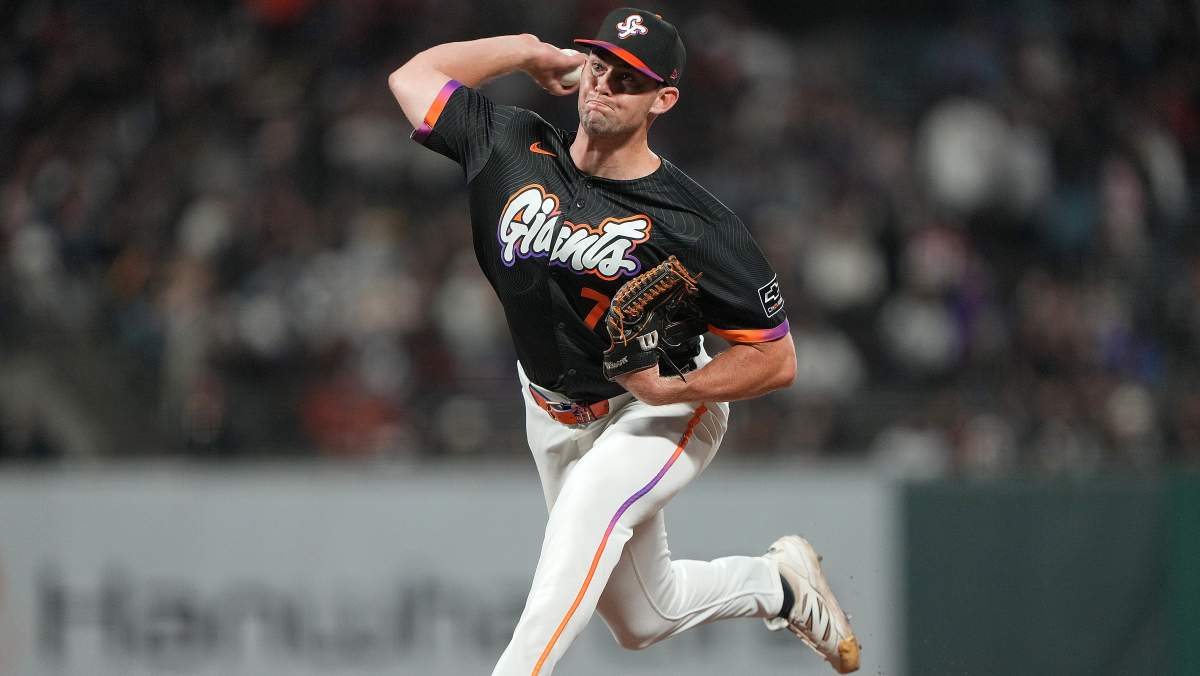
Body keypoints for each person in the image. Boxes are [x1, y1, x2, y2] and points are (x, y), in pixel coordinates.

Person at [387, 8, 860, 675]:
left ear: (662, 100)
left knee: (587, 510)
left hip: (656, 404)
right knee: (644, 618)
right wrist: (525, 50)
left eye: (628, 80)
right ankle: (779, 586)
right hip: (551, 409)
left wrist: (674, 390)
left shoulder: (695, 223)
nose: (604, 85)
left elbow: (776, 359)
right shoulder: (509, 144)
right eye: (600, 66)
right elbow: (413, 76)